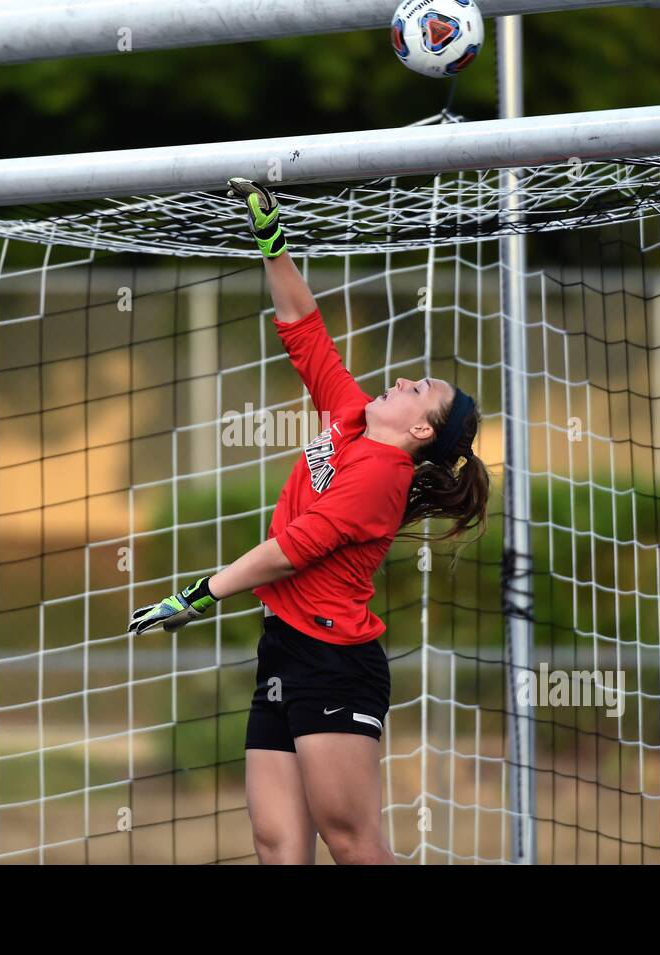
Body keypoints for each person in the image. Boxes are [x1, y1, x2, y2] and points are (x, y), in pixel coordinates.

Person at [129, 177, 490, 864]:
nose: (408, 379)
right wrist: (274, 243)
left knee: (351, 841)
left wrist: (200, 593)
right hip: (283, 650)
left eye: (423, 390)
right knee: (277, 842)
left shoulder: (381, 479)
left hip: (335, 664)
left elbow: (291, 551)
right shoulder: (350, 413)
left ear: (420, 427)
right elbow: (305, 330)